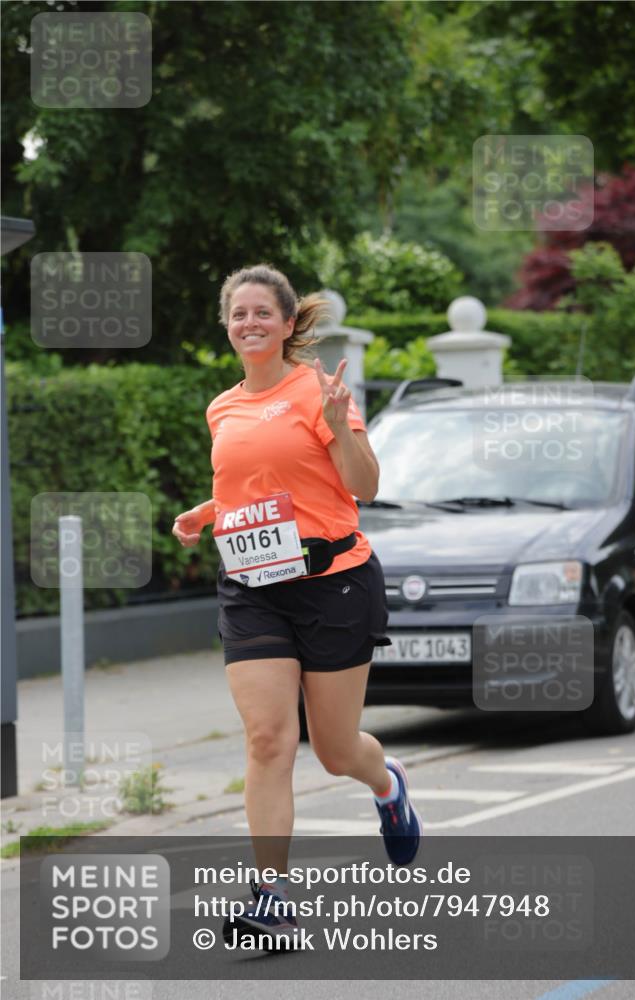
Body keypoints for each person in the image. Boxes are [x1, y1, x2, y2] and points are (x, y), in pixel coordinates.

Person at [172, 264, 422, 946]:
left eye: (261, 313)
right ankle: (273, 895)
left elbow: (362, 485)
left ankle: (387, 784)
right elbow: (260, 483)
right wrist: (209, 512)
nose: (248, 323)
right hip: (253, 586)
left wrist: (340, 427)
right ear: (226, 326)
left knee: (336, 751)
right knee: (267, 739)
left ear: (287, 324)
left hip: (333, 583)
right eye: (237, 314)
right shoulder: (221, 406)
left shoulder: (318, 391)